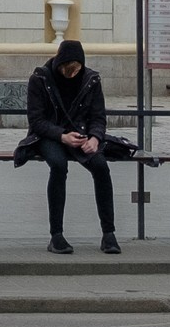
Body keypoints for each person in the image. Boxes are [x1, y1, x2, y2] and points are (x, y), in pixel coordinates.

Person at [16, 39, 120, 255]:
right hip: (48, 136)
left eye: (76, 70)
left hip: (81, 135)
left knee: (101, 166)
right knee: (58, 165)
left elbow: (98, 117)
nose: (72, 74)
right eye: (67, 70)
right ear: (59, 64)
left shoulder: (91, 79)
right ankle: (56, 235)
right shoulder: (40, 78)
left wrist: (95, 138)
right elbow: (36, 121)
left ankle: (109, 234)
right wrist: (62, 136)